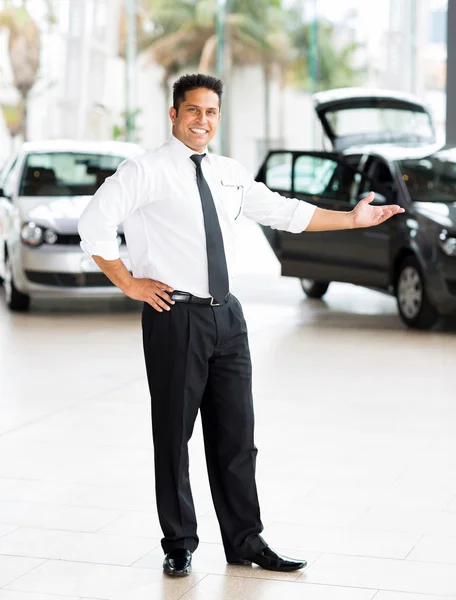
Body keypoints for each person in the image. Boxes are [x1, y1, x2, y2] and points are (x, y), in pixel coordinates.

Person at [78, 73, 404, 577]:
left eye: (210, 112)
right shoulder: (143, 171)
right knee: (174, 436)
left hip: (227, 316)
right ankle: (179, 542)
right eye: (192, 110)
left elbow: (284, 212)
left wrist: (351, 220)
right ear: (173, 114)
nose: (201, 120)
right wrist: (130, 283)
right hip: (174, 314)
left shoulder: (228, 172)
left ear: (218, 117)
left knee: (237, 435)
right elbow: (93, 225)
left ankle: (246, 540)